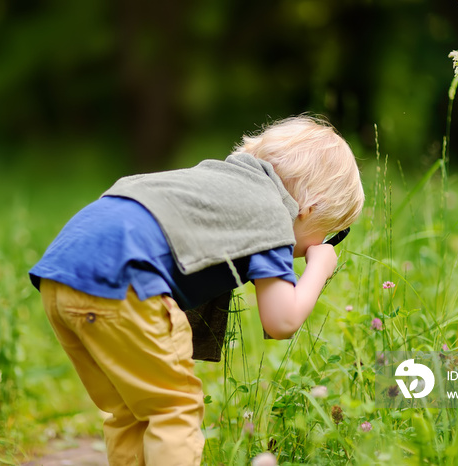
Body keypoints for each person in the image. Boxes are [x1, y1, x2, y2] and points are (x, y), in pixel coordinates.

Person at [29, 115, 365, 466]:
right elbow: (282, 320)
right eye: (326, 234)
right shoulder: (272, 211)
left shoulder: (220, 182)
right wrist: (319, 266)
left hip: (61, 274)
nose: (316, 245)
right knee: (174, 407)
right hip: (123, 281)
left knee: (133, 410)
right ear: (308, 209)